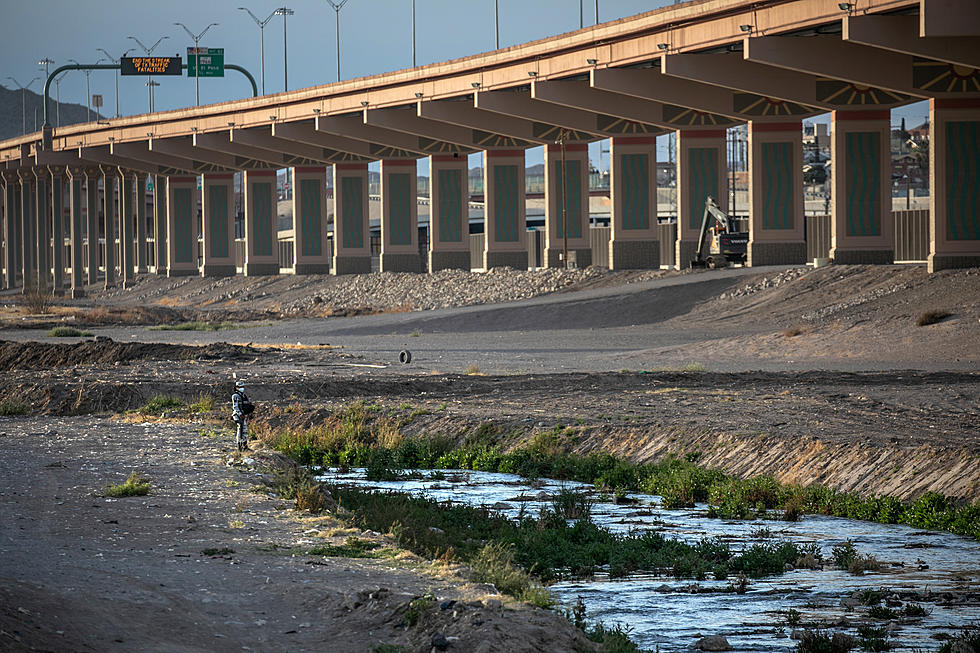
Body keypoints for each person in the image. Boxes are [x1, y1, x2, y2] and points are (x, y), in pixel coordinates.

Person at [231, 380, 253, 451]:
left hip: (243, 415)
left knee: (244, 431)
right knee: (240, 430)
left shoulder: (243, 396)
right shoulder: (235, 396)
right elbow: (235, 407)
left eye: (243, 387)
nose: (242, 388)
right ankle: (239, 446)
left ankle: (244, 446)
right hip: (238, 415)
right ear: (237, 387)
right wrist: (240, 414)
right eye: (240, 387)